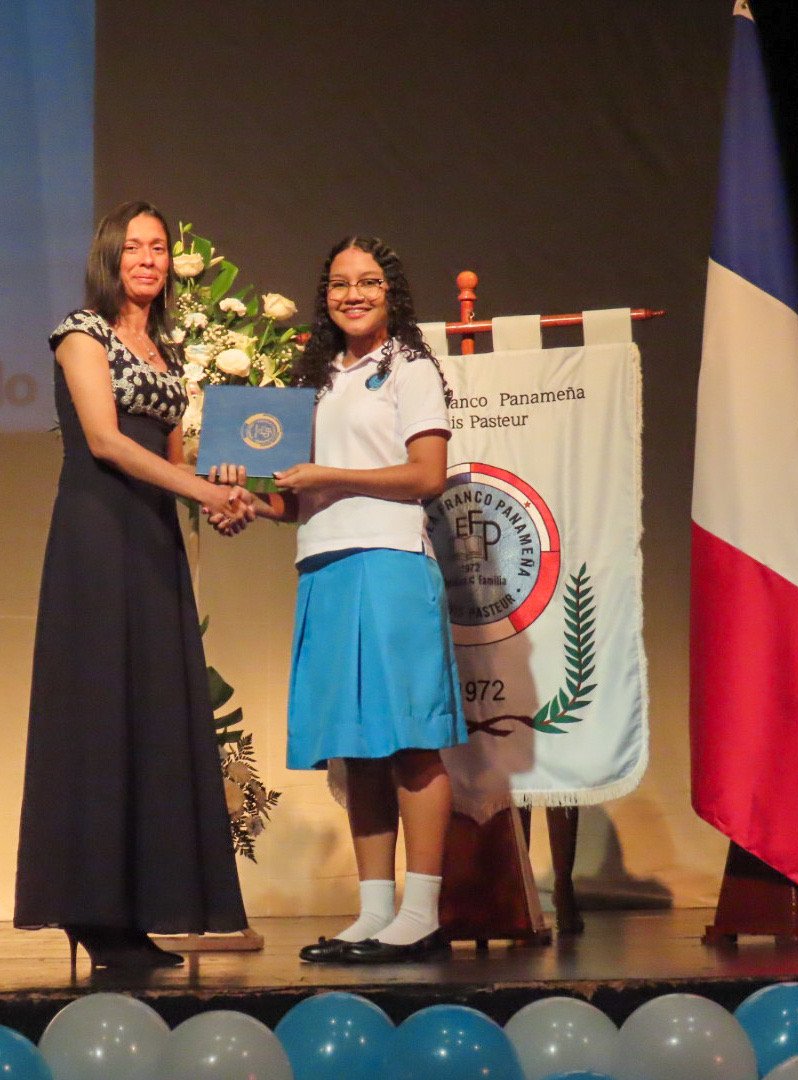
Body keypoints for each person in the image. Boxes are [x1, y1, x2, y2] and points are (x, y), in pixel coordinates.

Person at [212, 236, 467, 963]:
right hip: (324, 566)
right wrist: (248, 503)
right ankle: (375, 913)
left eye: (368, 281)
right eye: (339, 283)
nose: (353, 294)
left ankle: (421, 915)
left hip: (390, 562)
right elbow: (299, 500)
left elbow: (426, 475)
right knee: (357, 750)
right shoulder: (316, 379)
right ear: (324, 295)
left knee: (409, 741)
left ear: (392, 292)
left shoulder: (411, 367)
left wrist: (329, 473)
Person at [14, 200, 252, 970]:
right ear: (110, 257)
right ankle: (89, 908)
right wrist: (199, 491)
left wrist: (220, 498)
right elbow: (106, 441)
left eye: (158, 248)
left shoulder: (166, 350)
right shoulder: (80, 334)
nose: (147, 259)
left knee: (150, 713)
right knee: (98, 712)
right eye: (134, 247)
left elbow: (175, 462)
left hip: (152, 539)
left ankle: (137, 908)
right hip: (95, 538)